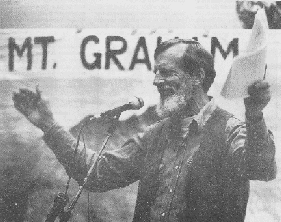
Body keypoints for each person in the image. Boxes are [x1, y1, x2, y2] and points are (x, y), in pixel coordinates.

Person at [13, 38, 276, 222]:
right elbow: (96, 174)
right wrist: (48, 124)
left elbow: (260, 168)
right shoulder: (156, 134)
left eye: (166, 72)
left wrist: (254, 114)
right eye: (155, 72)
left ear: (197, 76)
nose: (156, 81)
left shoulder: (231, 129)